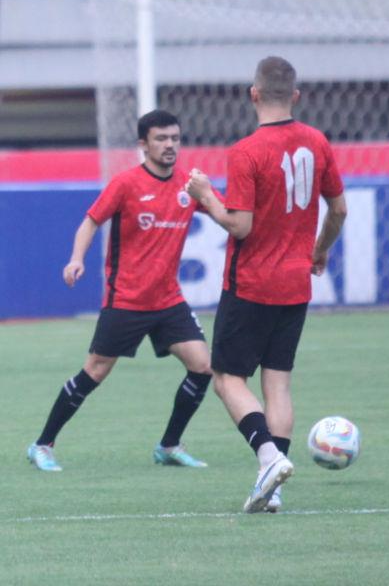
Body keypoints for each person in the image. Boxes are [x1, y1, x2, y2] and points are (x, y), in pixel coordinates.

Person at [186, 56, 347, 513]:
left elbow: (239, 226)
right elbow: (338, 210)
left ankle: (268, 457)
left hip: (252, 282)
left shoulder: (247, 151)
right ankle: (271, 489)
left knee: (227, 378)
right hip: (296, 284)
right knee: (278, 384)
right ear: (295, 96)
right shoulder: (317, 142)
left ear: (253, 94)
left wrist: (206, 198)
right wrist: (320, 250)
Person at [27, 109, 213, 472]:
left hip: (168, 300)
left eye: (175, 138)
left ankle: (169, 445)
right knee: (94, 371)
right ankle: (42, 444)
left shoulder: (190, 187)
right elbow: (91, 221)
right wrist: (76, 258)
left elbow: (226, 214)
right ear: (144, 145)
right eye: (161, 139)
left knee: (203, 366)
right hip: (126, 300)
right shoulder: (126, 184)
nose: (170, 145)